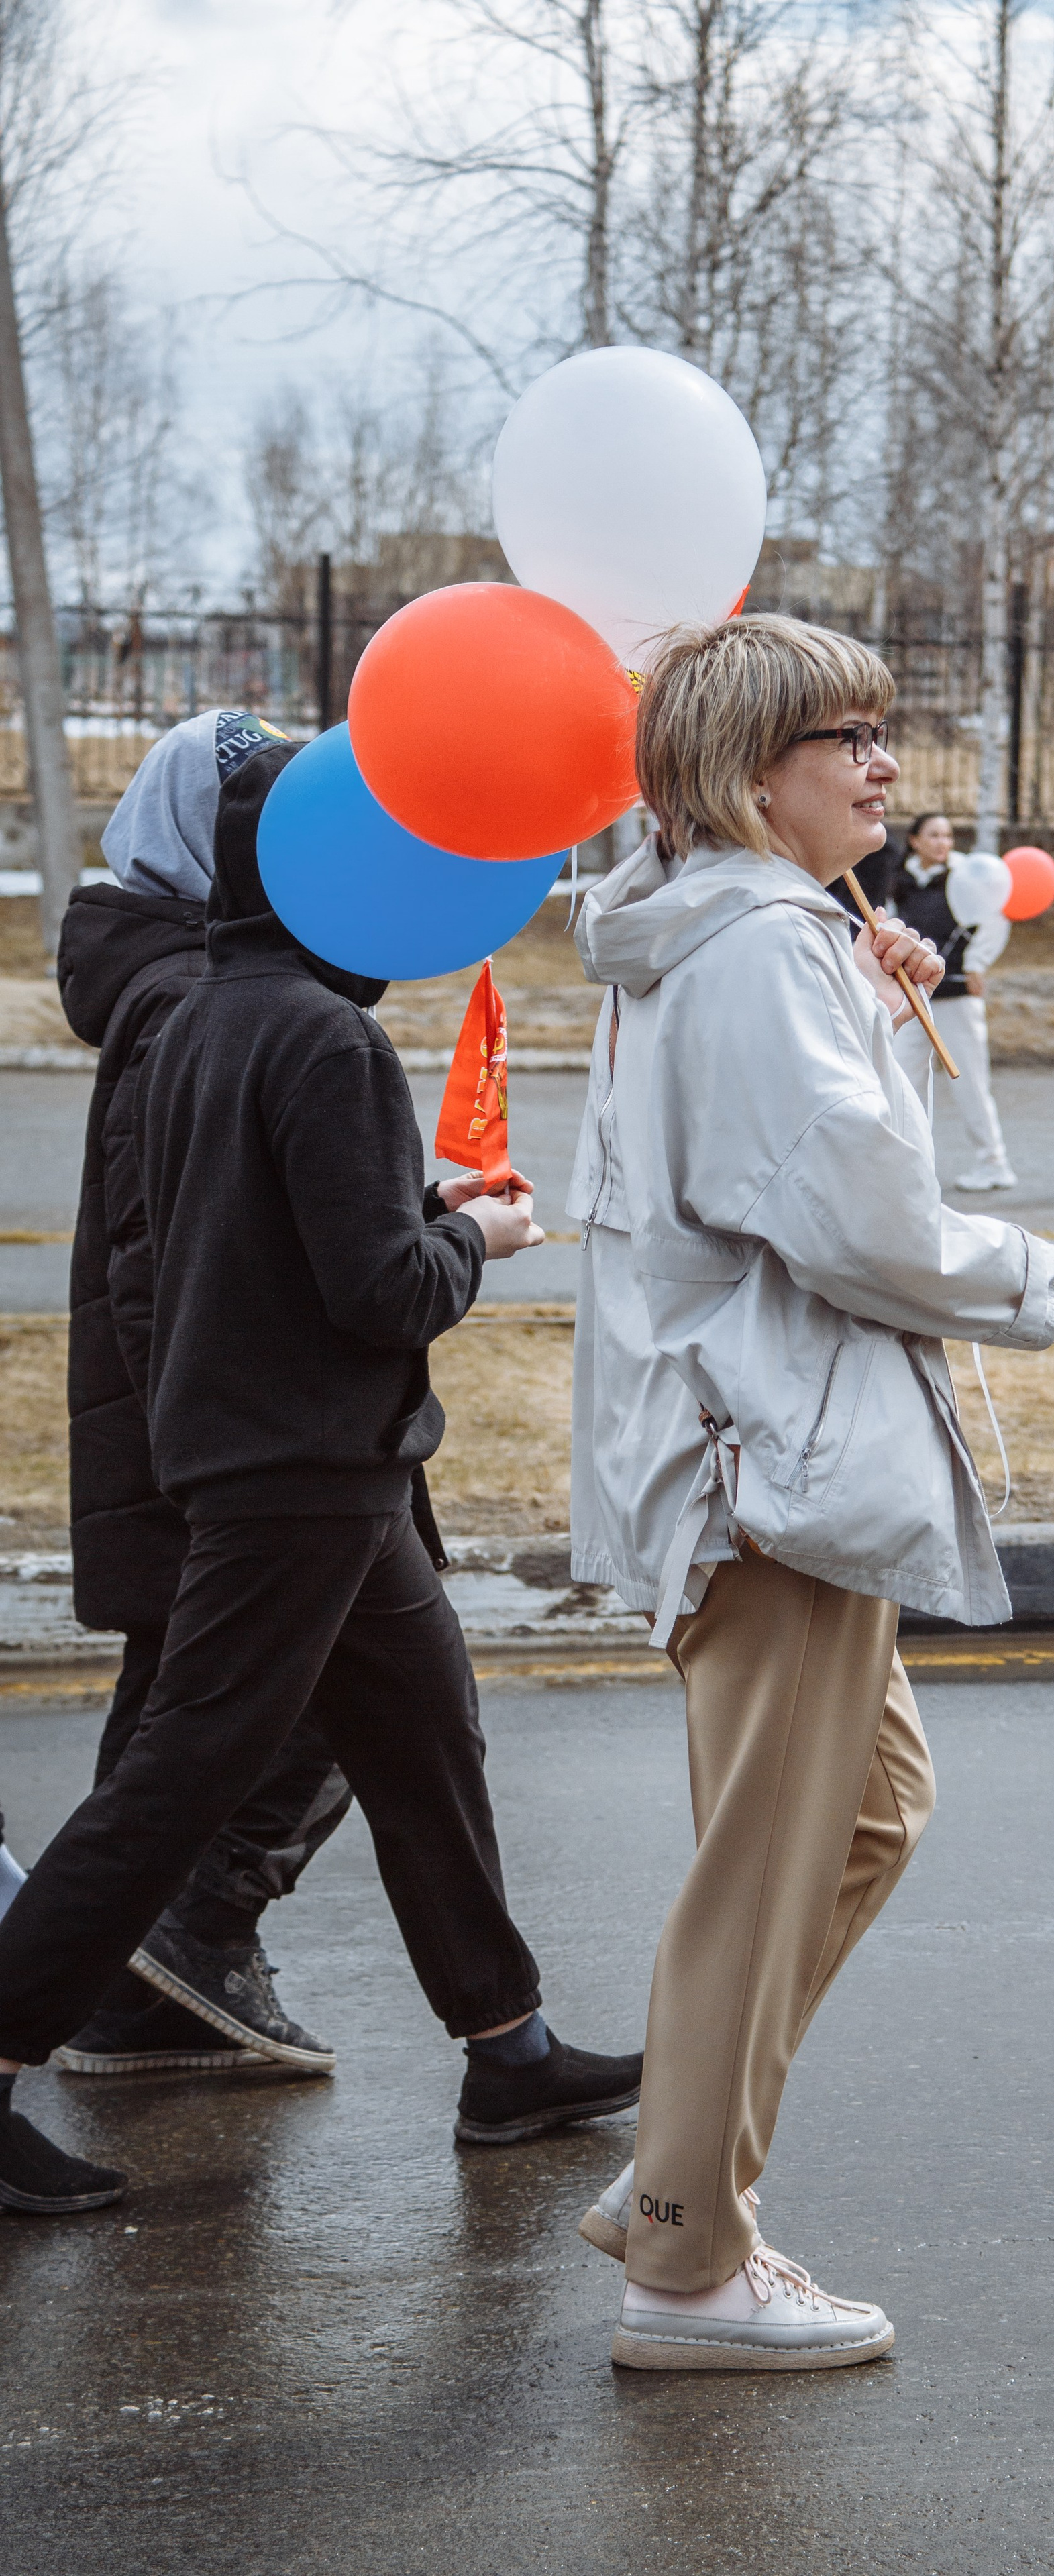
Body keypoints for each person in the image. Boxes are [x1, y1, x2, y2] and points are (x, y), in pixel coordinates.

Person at [0, 741, 642, 2218]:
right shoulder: (330, 1039)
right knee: (177, 1783)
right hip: (301, 1471)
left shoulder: (208, 1008)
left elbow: (254, 1225)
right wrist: (475, 1244)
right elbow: (376, 1294)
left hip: (299, 1460)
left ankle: (509, 2048)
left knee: (426, 1749)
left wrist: (417, 1200)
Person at [564, 614, 1054, 2372]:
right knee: (763, 1870)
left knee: (854, 1820)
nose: (879, 760)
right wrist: (1031, 1277)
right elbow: (852, 1225)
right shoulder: (759, 948)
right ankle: (689, 2269)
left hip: (752, 1452)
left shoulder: (731, 941)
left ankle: (674, 2185)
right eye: (838, 735)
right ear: (743, 772)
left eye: (881, 728)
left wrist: (872, 1015)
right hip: (767, 1462)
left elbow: (749, 1178)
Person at [54, 711, 356, 2080]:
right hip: (230, 1439)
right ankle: (163, 1957)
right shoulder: (182, 1002)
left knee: (190, 1718)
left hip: (215, 1429)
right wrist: (215, 1453)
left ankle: (140, 1990)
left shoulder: (187, 979)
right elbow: (158, 1254)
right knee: (266, 1712)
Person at [890, 811, 1018, 1191]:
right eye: (933, 835)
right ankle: (907, 1165)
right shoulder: (903, 879)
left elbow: (997, 918)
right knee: (902, 1076)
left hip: (957, 996)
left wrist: (976, 963)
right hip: (913, 996)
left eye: (947, 835)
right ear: (915, 841)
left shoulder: (967, 874)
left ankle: (994, 1162)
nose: (942, 842)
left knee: (970, 1080)